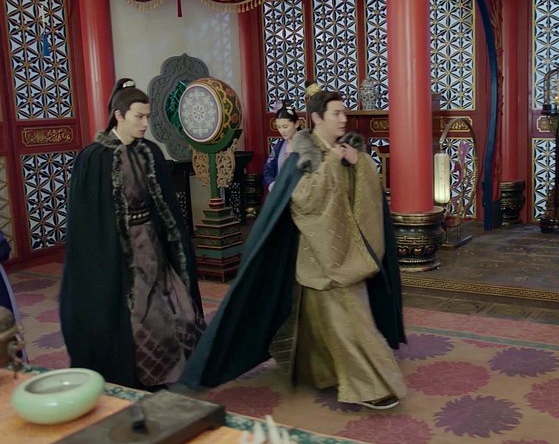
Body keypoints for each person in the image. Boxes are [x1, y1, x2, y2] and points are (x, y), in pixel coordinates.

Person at [181, 88, 406, 410]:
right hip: (320, 257)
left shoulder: (346, 149)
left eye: (344, 112)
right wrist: (332, 162)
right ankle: (371, 386)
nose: (343, 119)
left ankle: (319, 372)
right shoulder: (303, 156)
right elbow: (304, 201)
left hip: (344, 251)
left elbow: (364, 196)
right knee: (350, 323)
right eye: (337, 113)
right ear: (317, 118)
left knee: (323, 322)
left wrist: (360, 164)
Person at [60, 78, 206, 390]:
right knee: (141, 317)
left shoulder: (150, 152)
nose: (144, 124)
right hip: (119, 251)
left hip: (153, 244)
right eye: (139, 116)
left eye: (147, 117)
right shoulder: (94, 158)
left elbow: (166, 207)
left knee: (181, 311)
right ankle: (143, 379)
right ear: (119, 115)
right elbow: (86, 220)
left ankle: (174, 372)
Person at [262, 100, 300, 192]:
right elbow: (268, 171)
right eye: (279, 127)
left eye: (285, 127)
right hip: (281, 192)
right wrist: (272, 184)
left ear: (296, 124)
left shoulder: (307, 144)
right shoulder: (279, 146)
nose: (282, 131)